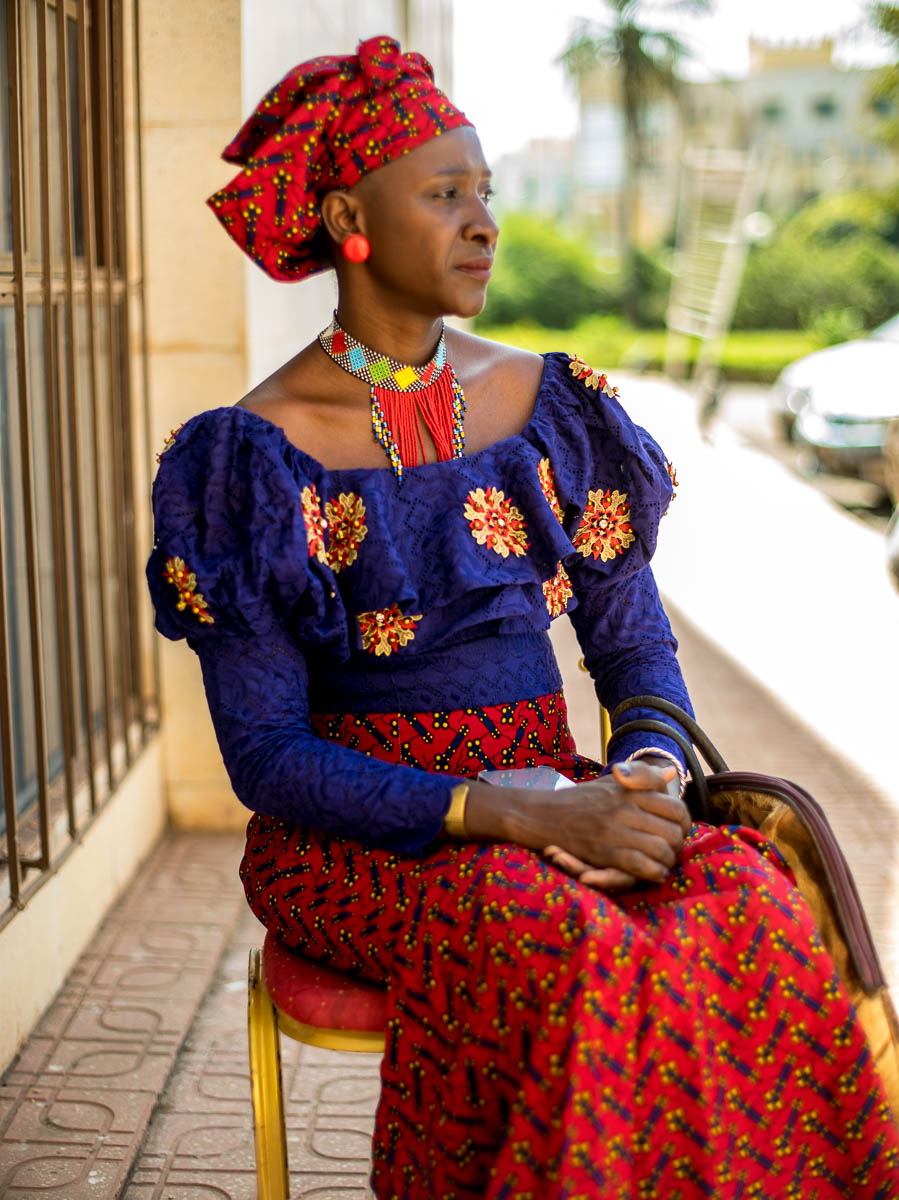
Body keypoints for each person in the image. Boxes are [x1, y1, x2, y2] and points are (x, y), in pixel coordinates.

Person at [147, 35, 899, 1199]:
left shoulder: (550, 406)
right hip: (364, 839)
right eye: (444, 193)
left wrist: (643, 770)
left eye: (485, 192)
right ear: (349, 215)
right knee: (575, 946)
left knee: (748, 905)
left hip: (561, 793)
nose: (481, 222)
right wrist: (508, 816)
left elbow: (631, 641)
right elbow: (265, 758)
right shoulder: (247, 459)